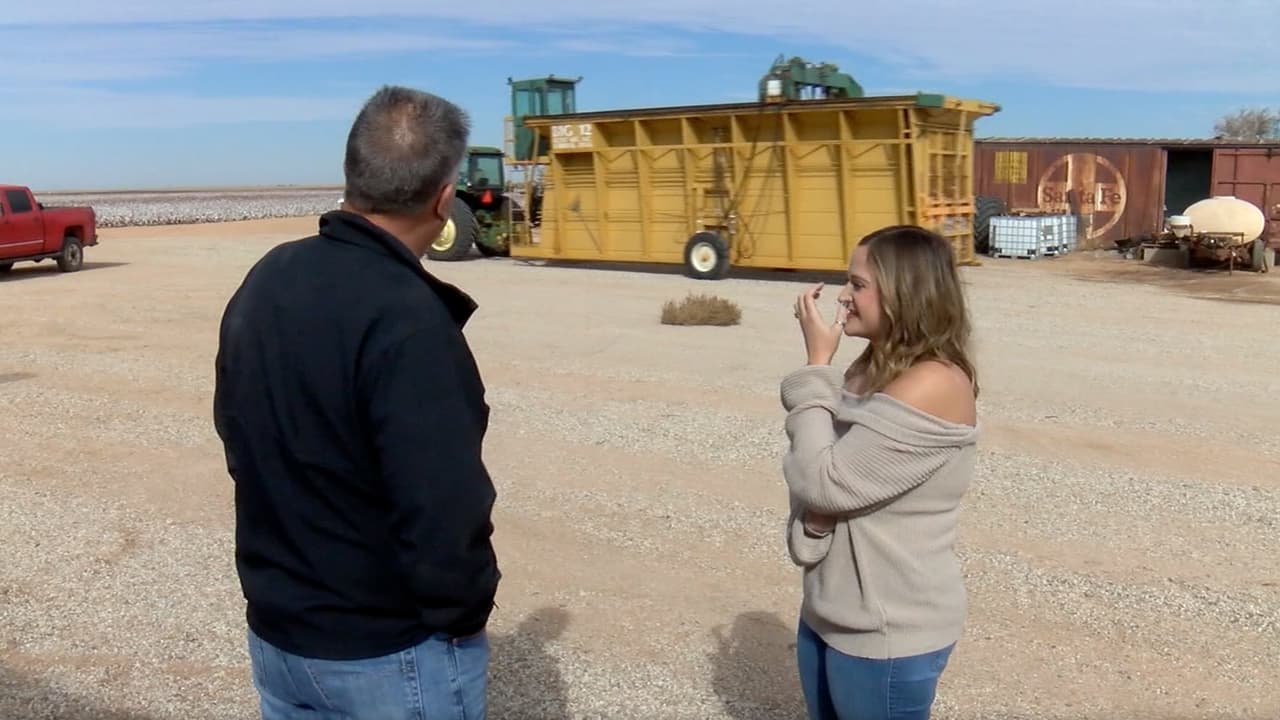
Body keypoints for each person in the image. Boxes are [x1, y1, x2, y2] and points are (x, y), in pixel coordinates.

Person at [212, 85, 500, 719]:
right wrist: (461, 615)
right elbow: (443, 505)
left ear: (353, 175)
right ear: (443, 197)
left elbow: (237, 435)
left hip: (280, 634)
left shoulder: (268, 278)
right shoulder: (411, 319)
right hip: (387, 652)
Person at [781, 225, 981, 720]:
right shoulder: (868, 369)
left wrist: (815, 366)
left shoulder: (934, 383)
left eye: (858, 284)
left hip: (888, 632)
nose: (844, 297)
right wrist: (816, 517)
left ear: (905, 295)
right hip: (831, 612)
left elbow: (819, 480)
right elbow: (817, 473)